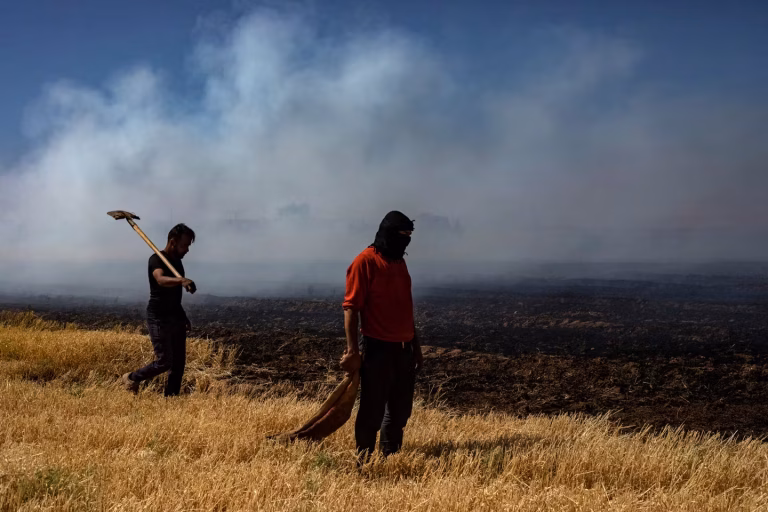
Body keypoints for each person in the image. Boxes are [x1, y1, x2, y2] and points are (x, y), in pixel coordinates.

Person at [341, 211, 423, 461]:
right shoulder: (364, 262)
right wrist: (353, 351)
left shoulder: (399, 262)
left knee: (400, 412)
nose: (406, 241)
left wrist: (415, 346)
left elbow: (405, 308)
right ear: (388, 234)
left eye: (410, 236)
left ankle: (390, 459)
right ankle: (363, 462)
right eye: (403, 235)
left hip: (404, 349)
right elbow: (351, 309)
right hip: (377, 349)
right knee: (371, 410)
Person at [121, 223, 197, 396]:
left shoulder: (177, 262)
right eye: (185, 245)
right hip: (159, 317)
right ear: (173, 242)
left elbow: (175, 295)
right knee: (165, 361)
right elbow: (160, 280)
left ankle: (171, 400)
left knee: (178, 364)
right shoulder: (156, 259)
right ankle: (132, 378)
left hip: (175, 315)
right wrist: (181, 280)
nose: (187, 250)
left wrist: (183, 316)